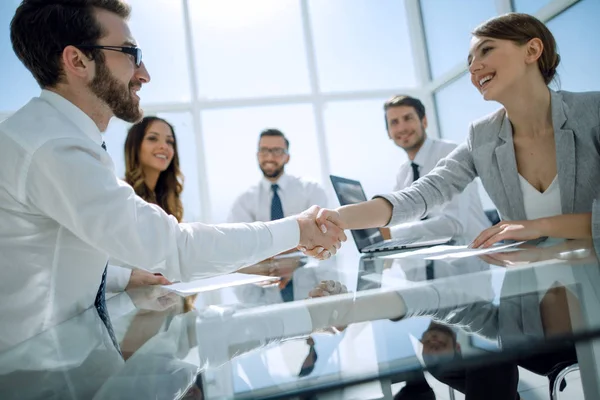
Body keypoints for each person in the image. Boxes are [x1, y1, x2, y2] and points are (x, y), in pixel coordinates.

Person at [0, 0, 344, 352]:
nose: (144, 73)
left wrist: (122, 277)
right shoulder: (53, 147)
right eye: (131, 53)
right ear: (77, 61)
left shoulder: (51, 138)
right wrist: (297, 229)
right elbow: (175, 248)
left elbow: (46, 259)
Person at [312, 12, 600, 250]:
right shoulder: (483, 136)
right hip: (532, 293)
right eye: (469, 61)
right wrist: (333, 218)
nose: (473, 67)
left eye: (486, 50)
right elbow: (419, 196)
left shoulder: (593, 112)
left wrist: (540, 226)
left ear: (532, 50)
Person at [380, 95, 490, 245]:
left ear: (423, 121)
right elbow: (398, 216)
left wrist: (391, 233)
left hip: (472, 254)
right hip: (430, 259)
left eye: (408, 118)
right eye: (394, 122)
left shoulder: (450, 153)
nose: (402, 128)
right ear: (388, 133)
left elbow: (455, 224)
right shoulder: (403, 171)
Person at [107, 116, 183, 292]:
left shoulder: (168, 199)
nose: (164, 146)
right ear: (135, 146)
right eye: (152, 138)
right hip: (128, 300)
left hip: (162, 298)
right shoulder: (121, 194)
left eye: (170, 142)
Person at [227, 128, 329, 223]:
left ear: (287, 157)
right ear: (257, 156)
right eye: (264, 151)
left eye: (277, 151)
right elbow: (238, 239)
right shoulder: (244, 201)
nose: (270, 157)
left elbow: (322, 233)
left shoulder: (311, 190)